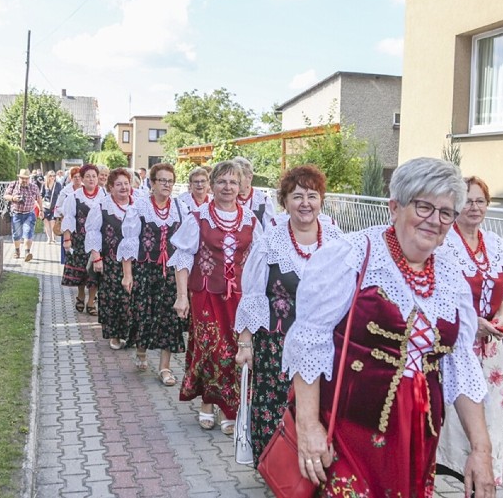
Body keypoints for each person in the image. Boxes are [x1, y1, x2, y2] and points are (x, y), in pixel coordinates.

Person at [282, 157, 496, 498]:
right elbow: (309, 340)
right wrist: (309, 427)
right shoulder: (353, 255)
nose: (435, 220)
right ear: (395, 207)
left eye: (445, 212)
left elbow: (461, 365)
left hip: (417, 433)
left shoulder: (451, 275)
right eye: (424, 206)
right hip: (348, 429)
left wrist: (481, 451)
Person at [234, 165, 343, 466]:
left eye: (312, 195)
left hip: (323, 345)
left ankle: (313, 469)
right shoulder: (270, 241)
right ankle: (276, 471)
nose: (305, 203)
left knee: (317, 411)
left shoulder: (336, 239)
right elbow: (253, 293)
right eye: (297, 196)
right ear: (284, 202)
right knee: (275, 408)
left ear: (322, 200)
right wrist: (245, 344)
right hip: (276, 345)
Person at [168, 160, 263, 435]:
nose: (228, 187)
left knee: (236, 350)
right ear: (212, 185)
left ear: (243, 185)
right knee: (210, 349)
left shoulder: (251, 220)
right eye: (222, 181)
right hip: (206, 294)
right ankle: (208, 403)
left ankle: (229, 407)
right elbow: (183, 258)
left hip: (240, 298)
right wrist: (181, 296)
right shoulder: (198, 217)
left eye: (234, 182)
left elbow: (259, 261)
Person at [436, 176, 503, 487]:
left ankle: (482, 483)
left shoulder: (499, 246)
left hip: (491, 349)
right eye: (467, 200)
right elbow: (436, 295)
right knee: (450, 419)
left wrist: (500, 318)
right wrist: (471, 323)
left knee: (490, 419)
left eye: (480, 201)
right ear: (456, 205)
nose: (474, 207)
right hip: (454, 344)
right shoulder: (443, 244)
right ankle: (439, 476)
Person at [119, 163, 189, 381]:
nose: (167, 185)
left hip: (171, 273)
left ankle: (165, 367)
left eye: (170, 181)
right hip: (144, 270)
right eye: (162, 180)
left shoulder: (180, 208)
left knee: (169, 318)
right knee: (143, 314)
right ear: (152, 183)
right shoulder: (140, 207)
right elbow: (129, 241)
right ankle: (141, 350)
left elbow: (186, 245)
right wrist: (127, 274)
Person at [87, 167, 136, 350]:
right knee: (113, 298)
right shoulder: (102, 207)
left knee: (133, 298)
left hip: (135, 262)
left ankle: (131, 334)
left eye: (126, 183)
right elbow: (93, 232)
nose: (124, 187)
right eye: (119, 184)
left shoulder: (138, 205)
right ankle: (114, 334)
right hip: (111, 261)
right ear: (110, 188)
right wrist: (97, 257)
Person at [61, 165, 105, 314]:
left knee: (95, 272)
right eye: (88, 176)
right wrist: (67, 239)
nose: (91, 179)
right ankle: (81, 294)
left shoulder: (104, 195)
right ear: (82, 179)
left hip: (98, 241)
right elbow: (68, 218)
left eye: (94, 176)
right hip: (80, 239)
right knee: (81, 271)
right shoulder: (75, 196)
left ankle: (91, 302)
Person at [3, 168, 43, 262]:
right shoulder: (13, 184)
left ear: (29, 178)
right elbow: (5, 195)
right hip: (16, 214)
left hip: (29, 213)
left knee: (28, 233)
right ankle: (17, 251)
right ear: (19, 178)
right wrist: (13, 198)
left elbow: (39, 198)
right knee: (16, 234)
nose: (24, 180)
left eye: (26, 178)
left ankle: (27, 253)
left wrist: (41, 210)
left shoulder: (34, 187)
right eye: (22, 178)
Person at [233, 156, 275, 226]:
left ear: (249, 177)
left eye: (238, 178)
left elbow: (270, 230)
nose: (234, 181)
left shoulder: (263, 201)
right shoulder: (228, 197)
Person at [41, 171, 62, 244]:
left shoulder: (58, 185)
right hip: (45, 207)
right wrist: (40, 203)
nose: (52, 177)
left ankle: (53, 238)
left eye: (54, 176)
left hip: (54, 206)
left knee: (53, 222)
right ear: (48, 177)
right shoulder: (44, 185)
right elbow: (41, 195)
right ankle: (49, 238)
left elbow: (61, 194)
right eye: (50, 176)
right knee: (46, 223)